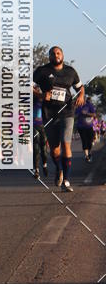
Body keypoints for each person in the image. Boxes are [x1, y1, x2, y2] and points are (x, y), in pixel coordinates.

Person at [33, 46, 84, 192]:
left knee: (66, 145)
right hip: (49, 114)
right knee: (55, 150)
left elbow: (80, 87)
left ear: (62, 55)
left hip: (67, 112)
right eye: (53, 53)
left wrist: (81, 95)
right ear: (49, 56)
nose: (56, 55)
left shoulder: (70, 71)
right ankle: (59, 169)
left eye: (58, 53)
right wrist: (41, 95)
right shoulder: (42, 71)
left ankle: (66, 181)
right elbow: (28, 87)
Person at [75, 90, 97, 162]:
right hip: (81, 127)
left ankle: (89, 153)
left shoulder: (89, 105)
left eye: (81, 99)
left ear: (84, 99)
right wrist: (79, 114)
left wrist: (87, 114)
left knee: (90, 140)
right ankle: (87, 156)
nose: (80, 100)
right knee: (84, 141)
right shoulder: (78, 106)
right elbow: (75, 115)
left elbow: (94, 114)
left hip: (89, 126)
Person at [32, 96, 48, 179]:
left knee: (44, 150)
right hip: (33, 127)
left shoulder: (44, 102)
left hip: (42, 127)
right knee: (36, 149)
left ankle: (44, 165)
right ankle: (36, 170)